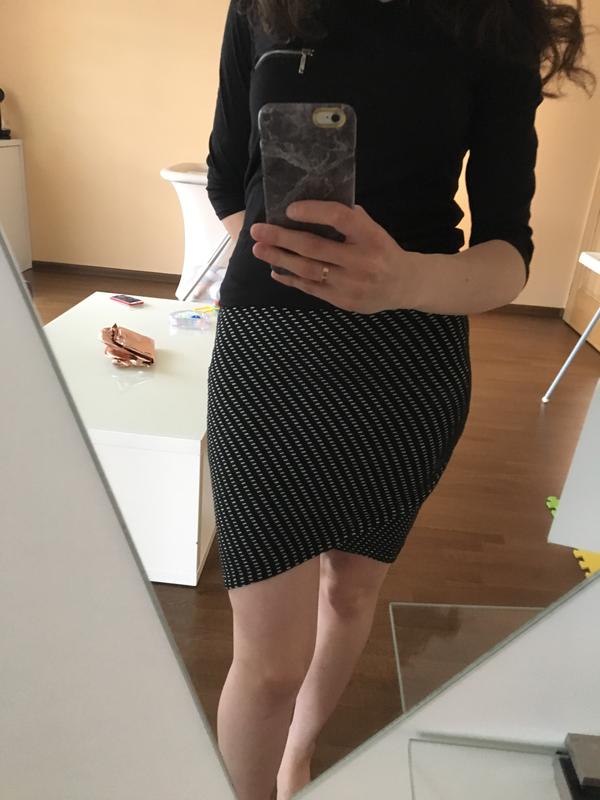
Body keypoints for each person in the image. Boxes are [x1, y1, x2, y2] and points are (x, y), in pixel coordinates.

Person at [205, 2, 594, 798]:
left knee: (352, 591)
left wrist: (402, 278)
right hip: (268, 354)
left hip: (409, 356)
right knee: (269, 663)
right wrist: (292, 268)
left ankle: (298, 757)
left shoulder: (495, 19)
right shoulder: (263, 5)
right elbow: (226, 179)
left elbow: (509, 255)